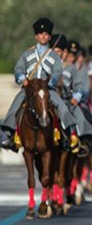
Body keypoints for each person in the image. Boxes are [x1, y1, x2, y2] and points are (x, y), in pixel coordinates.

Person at [0, 19, 79, 152]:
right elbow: (19, 69)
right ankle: (10, 135)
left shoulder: (54, 56)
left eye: (46, 34)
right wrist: (22, 79)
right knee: (16, 104)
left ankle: (67, 135)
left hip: (46, 89)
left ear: (49, 37)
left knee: (61, 106)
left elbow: (57, 72)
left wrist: (50, 82)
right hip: (29, 89)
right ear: (36, 36)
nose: (44, 36)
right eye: (41, 34)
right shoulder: (27, 54)